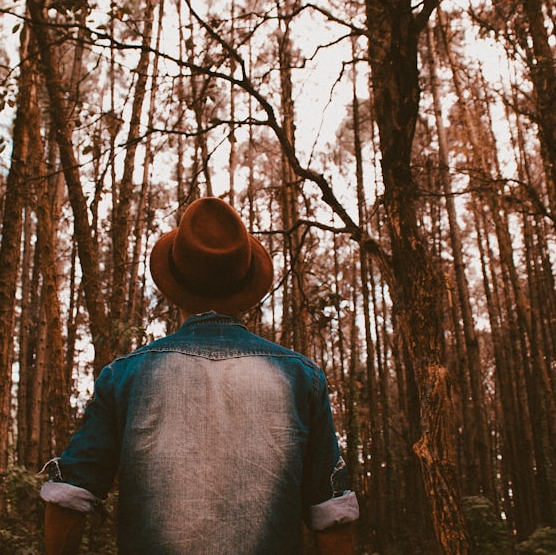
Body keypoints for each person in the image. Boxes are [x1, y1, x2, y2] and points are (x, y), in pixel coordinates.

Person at [40, 196, 359, 554]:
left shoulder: (125, 376)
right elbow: (333, 518)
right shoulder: (301, 378)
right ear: (246, 289)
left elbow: (68, 499)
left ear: (176, 287)